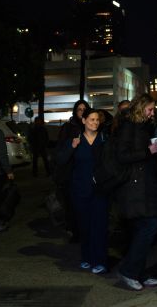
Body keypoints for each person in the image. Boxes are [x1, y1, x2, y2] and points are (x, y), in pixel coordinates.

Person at [115, 93, 157, 291]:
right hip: (134, 187)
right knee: (149, 226)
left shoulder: (145, 127)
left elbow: (152, 159)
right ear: (140, 108)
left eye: (152, 109)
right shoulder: (128, 127)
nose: (151, 113)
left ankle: (137, 271)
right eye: (149, 109)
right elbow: (121, 156)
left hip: (147, 184)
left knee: (147, 228)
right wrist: (147, 152)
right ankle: (129, 270)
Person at [55, 107, 109, 274]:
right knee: (85, 226)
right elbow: (60, 160)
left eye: (97, 120)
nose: (95, 122)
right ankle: (87, 257)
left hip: (100, 190)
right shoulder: (76, 140)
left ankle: (100, 261)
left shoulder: (104, 139)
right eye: (91, 119)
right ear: (84, 121)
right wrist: (71, 147)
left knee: (99, 226)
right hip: (80, 190)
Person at [54, 99, 90, 242]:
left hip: (86, 171)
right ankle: (74, 231)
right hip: (70, 172)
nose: (81, 112)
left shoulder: (91, 126)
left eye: (84, 109)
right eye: (79, 109)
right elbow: (60, 151)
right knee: (72, 205)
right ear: (75, 112)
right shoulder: (68, 128)